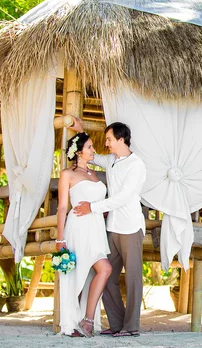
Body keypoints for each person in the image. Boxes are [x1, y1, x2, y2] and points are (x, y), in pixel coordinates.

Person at [73, 119, 147, 337]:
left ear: (121, 139)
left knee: (133, 278)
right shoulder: (112, 160)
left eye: (109, 139)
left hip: (131, 227)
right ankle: (117, 324)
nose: (106, 143)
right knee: (106, 275)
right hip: (112, 228)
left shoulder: (136, 165)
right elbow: (91, 157)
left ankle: (131, 327)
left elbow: (123, 198)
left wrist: (92, 208)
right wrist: (81, 133)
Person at [56, 132, 112, 337]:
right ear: (78, 152)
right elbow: (62, 208)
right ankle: (72, 324)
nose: (93, 150)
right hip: (77, 228)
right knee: (77, 274)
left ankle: (87, 321)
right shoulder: (67, 174)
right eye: (89, 147)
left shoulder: (95, 175)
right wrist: (60, 238)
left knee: (104, 269)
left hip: (96, 228)